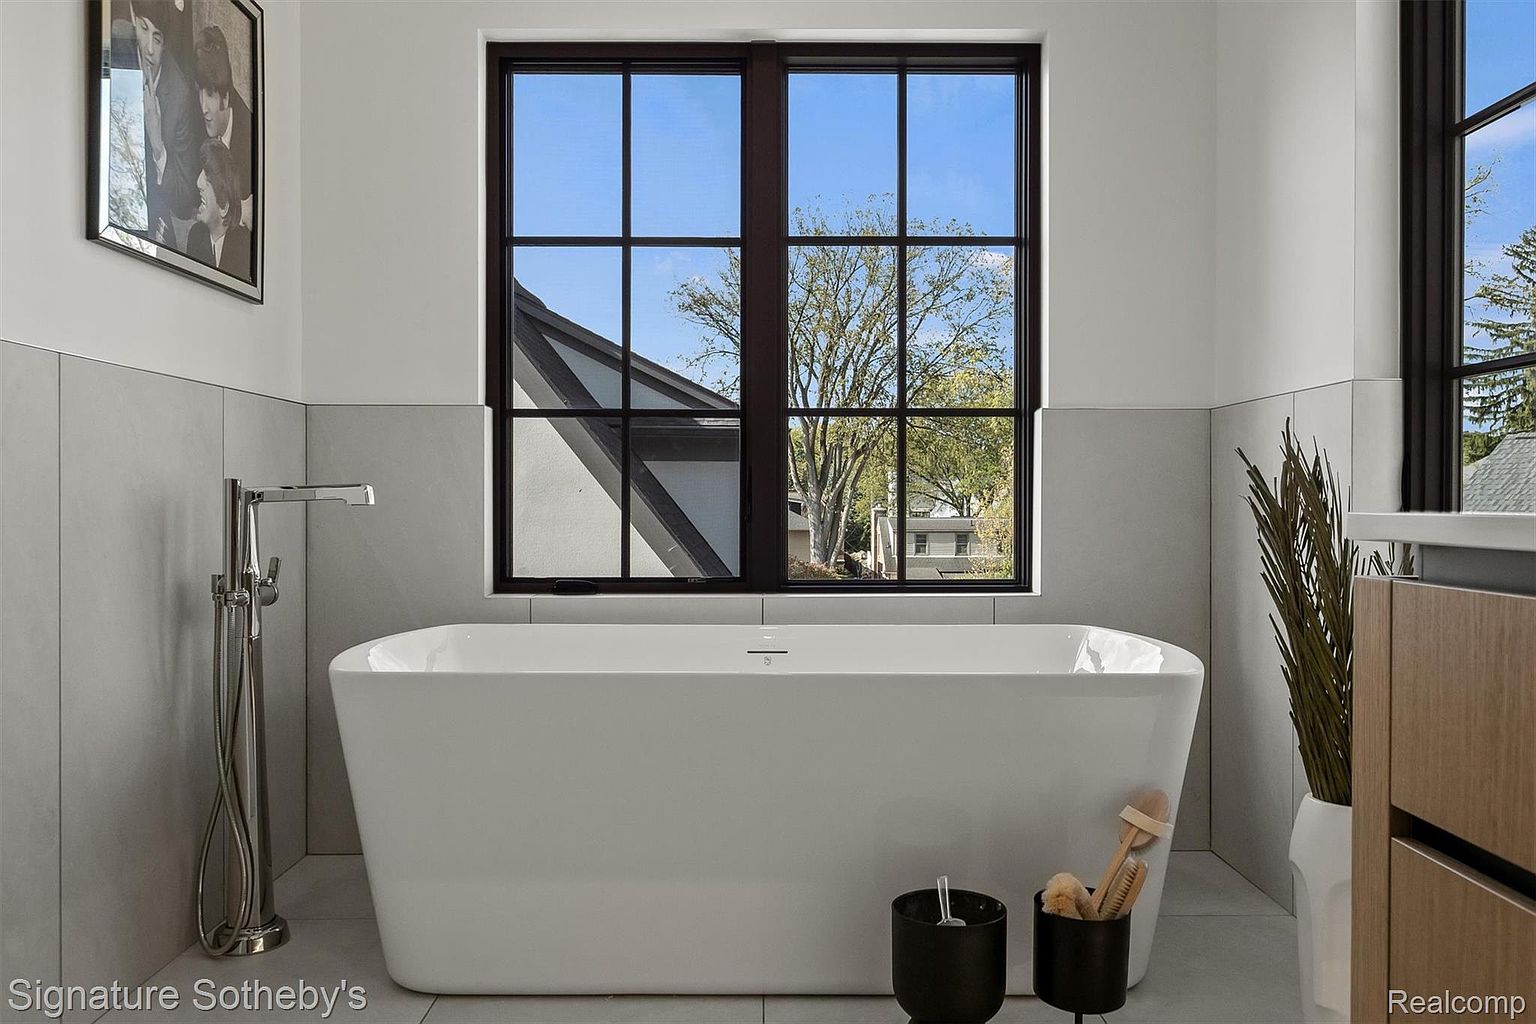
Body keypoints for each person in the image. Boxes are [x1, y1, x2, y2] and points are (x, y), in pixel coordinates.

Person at [127, 0, 202, 241]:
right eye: (143, 28)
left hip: (153, 213)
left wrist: (157, 143)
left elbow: (183, 199)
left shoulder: (180, 97)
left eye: (157, 39)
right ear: (132, 19)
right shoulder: (116, 50)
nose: (149, 49)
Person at [193, 25, 254, 231]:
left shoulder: (249, 140)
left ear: (226, 97)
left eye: (210, 94)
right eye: (200, 91)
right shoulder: (197, 120)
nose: (203, 108)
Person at [187, 139, 252, 280]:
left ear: (224, 207)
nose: (198, 183)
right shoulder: (195, 236)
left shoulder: (244, 246)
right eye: (202, 172)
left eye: (208, 180)